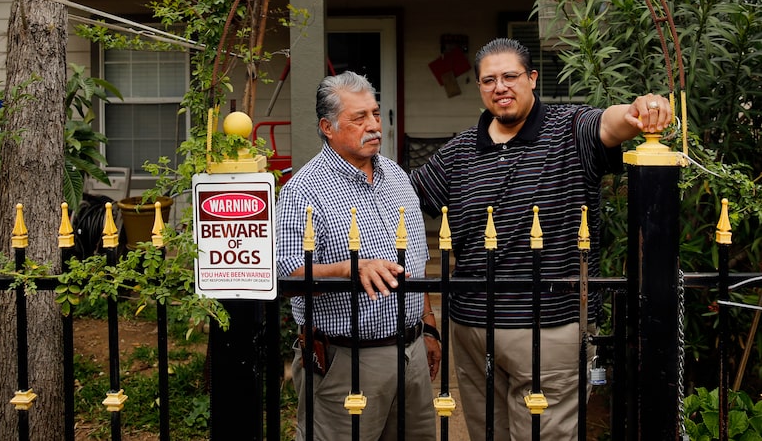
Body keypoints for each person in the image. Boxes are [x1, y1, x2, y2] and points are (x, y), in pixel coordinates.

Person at [410, 37, 673, 441]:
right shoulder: (460, 151)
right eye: (489, 80)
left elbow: (609, 123)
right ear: (480, 88)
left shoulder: (570, 130)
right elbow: (405, 204)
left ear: (532, 79)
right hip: (472, 330)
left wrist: (638, 110)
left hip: (549, 329)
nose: (500, 87)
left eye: (511, 76)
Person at [276, 71, 441, 441]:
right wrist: (349, 269)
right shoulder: (303, 190)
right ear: (328, 127)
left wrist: (428, 326)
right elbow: (286, 276)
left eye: (376, 114)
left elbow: (414, 262)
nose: (374, 126)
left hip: (411, 351)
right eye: (359, 118)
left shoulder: (397, 177)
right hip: (345, 360)